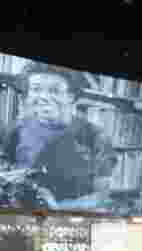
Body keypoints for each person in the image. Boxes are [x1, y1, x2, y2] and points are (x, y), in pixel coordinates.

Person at [1, 63, 117, 207]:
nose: (43, 97)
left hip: (69, 217)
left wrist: (59, 207)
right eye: (36, 89)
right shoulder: (16, 128)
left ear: (71, 96)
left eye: (54, 91)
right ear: (27, 96)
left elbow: (102, 196)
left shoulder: (96, 136)